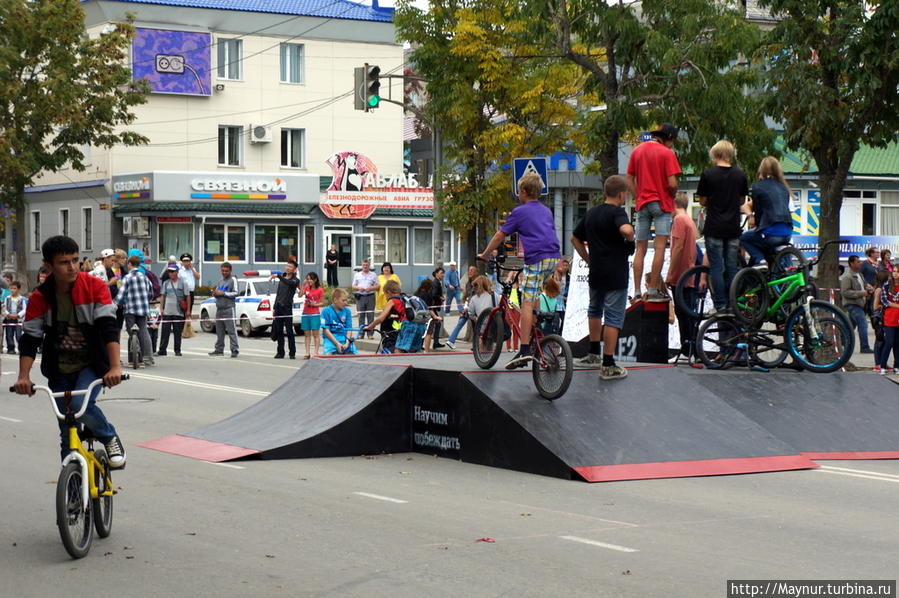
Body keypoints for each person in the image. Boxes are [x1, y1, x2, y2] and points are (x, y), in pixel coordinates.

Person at [14, 235, 126, 467]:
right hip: (59, 369)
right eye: (64, 262)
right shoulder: (40, 297)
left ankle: (108, 436)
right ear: (48, 265)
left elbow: (108, 328)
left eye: (75, 260)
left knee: (78, 406)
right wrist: (23, 377)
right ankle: (73, 493)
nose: (72, 267)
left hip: (92, 365)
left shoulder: (94, 286)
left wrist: (115, 366)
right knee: (67, 431)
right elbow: (30, 338)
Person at [479, 171, 561, 369]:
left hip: (537, 258)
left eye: (518, 191)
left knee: (525, 302)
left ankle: (524, 349)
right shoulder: (546, 210)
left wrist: (485, 254)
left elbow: (500, 236)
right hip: (553, 257)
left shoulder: (520, 212)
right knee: (532, 297)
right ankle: (534, 332)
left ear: (523, 191)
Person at [570, 174, 635, 380]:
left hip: (596, 271)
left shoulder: (592, 213)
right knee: (614, 317)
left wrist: (588, 259)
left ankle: (592, 354)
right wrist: (631, 236)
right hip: (616, 273)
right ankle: (608, 364)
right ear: (621, 194)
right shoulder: (618, 212)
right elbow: (625, 230)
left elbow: (574, 238)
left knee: (595, 310)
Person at [627, 123, 681, 302]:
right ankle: (652, 290)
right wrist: (671, 196)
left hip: (642, 204)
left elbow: (629, 178)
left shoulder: (637, 151)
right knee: (659, 247)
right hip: (662, 204)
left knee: (640, 248)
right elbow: (672, 183)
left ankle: (635, 291)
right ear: (670, 138)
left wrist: (638, 197)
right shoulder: (667, 153)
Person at [695, 140, 748, 310]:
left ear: (715, 154)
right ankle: (733, 303)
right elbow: (741, 200)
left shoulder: (708, 175)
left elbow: (702, 200)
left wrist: (712, 199)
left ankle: (720, 304)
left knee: (716, 267)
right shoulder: (740, 175)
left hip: (714, 227)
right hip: (733, 228)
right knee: (732, 267)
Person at [740, 156, 793, 266]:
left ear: (761, 170)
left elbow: (759, 212)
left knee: (744, 238)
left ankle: (760, 260)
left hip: (771, 233)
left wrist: (753, 220)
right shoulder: (783, 187)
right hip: (787, 232)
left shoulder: (758, 186)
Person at [665, 193, 700, 359]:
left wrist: (670, 273)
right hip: (689, 273)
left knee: (683, 314)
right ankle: (692, 350)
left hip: (680, 275)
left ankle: (687, 350)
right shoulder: (690, 221)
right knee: (688, 313)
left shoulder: (678, 220)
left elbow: (678, 248)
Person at [116, 255, 155, 367]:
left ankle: (134, 357)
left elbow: (121, 295)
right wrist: (145, 300)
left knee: (131, 332)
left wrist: (115, 303)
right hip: (143, 309)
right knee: (143, 331)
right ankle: (148, 358)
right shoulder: (144, 277)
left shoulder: (127, 278)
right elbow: (151, 293)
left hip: (130, 310)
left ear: (129, 264)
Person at [840, 255, 874, 354]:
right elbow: (845, 292)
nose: (860, 263)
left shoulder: (860, 275)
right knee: (863, 324)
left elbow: (863, 286)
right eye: (858, 262)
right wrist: (861, 293)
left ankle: (842, 342)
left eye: (860, 261)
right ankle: (864, 347)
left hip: (860, 304)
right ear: (851, 263)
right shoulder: (847, 277)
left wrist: (868, 288)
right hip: (852, 304)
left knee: (850, 326)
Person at [268, 259, 301, 359]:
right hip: (278, 307)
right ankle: (280, 352)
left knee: (290, 331)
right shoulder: (283, 277)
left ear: (294, 269)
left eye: (290, 267)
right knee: (279, 331)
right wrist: (274, 308)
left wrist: (278, 276)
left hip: (287, 308)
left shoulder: (295, 280)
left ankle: (292, 353)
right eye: (287, 266)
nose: (287, 268)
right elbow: (278, 294)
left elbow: (289, 283)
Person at [365, 279, 405, 352]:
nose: (385, 297)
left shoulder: (392, 301)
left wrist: (371, 326)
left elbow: (381, 318)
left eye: (385, 294)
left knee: (390, 353)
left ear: (388, 292)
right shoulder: (403, 299)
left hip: (391, 335)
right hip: (402, 332)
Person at [209, 262, 239, 358]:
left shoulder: (233, 279)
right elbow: (218, 291)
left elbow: (236, 293)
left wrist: (222, 293)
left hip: (229, 309)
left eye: (226, 271)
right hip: (219, 309)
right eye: (222, 270)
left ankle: (234, 349)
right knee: (219, 331)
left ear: (230, 271)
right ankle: (219, 349)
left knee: (231, 331)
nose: (224, 272)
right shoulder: (220, 281)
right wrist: (214, 293)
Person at [872, 268, 899, 374]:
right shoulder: (887, 285)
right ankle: (882, 365)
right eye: (894, 271)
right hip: (889, 317)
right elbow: (884, 301)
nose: (895, 273)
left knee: (898, 344)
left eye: (897, 271)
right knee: (889, 342)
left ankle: (896, 366)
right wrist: (897, 305)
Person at [157, 264, 186, 357]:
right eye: (169, 271)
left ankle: (177, 350)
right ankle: (162, 349)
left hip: (178, 311)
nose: (171, 273)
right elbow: (163, 296)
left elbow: (188, 296)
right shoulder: (166, 283)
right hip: (167, 311)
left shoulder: (183, 283)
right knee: (165, 331)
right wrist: (161, 308)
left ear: (177, 272)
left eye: (173, 271)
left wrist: (188, 310)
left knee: (178, 333)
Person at [321, 288, 357, 355]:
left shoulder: (347, 311)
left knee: (355, 355)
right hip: (331, 339)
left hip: (344, 337)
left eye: (346, 300)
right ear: (335, 300)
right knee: (328, 356)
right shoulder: (326, 311)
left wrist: (347, 342)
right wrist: (337, 343)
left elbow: (349, 329)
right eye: (343, 300)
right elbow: (326, 330)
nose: (346, 303)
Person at [414, 277, 443, 353]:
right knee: (428, 333)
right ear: (429, 287)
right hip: (425, 316)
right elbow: (429, 309)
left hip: (416, 316)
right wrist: (436, 317)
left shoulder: (416, 294)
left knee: (418, 332)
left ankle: (417, 348)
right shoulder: (427, 295)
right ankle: (426, 350)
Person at [351, 259, 378, 338]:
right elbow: (353, 286)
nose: (365, 266)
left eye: (366, 265)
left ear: (369, 266)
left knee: (370, 315)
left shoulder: (373, 275)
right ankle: (361, 333)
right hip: (360, 297)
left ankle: (370, 334)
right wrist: (359, 288)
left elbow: (378, 286)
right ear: (362, 266)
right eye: (364, 265)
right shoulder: (357, 275)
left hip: (370, 296)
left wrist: (371, 288)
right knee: (361, 316)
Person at [301, 272, 324, 359]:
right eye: (307, 279)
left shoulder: (320, 290)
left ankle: (316, 352)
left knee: (316, 334)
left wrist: (314, 304)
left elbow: (322, 303)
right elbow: (300, 295)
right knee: (307, 334)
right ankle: (307, 353)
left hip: (315, 313)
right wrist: (303, 285)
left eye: (310, 279)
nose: (309, 281)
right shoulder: (306, 288)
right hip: (305, 313)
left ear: (315, 280)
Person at [871, 270, 890, 373]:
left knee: (884, 341)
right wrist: (887, 304)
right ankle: (878, 363)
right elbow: (875, 306)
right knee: (879, 340)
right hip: (878, 318)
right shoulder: (879, 290)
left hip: (883, 317)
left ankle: (883, 362)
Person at [3, 281, 27, 354]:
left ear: (19, 289)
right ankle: (10, 348)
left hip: (18, 320)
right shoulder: (7, 298)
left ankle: (21, 348)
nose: (12, 290)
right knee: (9, 335)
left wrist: (18, 315)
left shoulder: (21, 299)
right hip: (9, 319)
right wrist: (8, 314)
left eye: (14, 288)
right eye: (11, 288)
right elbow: (4, 308)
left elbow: (24, 309)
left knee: (18, 335)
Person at [178, 253, 200, 317]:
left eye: (188, 261)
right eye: (184, 261)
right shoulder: (180, 271)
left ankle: (187, 325)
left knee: (189, 310)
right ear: (182, 262)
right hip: (182, 292)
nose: (186, 263)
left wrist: (192, 269)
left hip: (190, 292)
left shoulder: (193, 270)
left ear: (190, 262)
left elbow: (198, 277)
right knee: (182, 310)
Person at [430, 266, 446, 348]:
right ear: (436, 274)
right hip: (433, 307)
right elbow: (434, 294)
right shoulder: (436, 282)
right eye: (441, 273)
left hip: (434, 306)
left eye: (443, 273)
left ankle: (435, 342)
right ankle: (435, 342)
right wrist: (440, 297)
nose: (443, 275)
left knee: (435, 324)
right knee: (436, 324)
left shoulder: (437, 282)